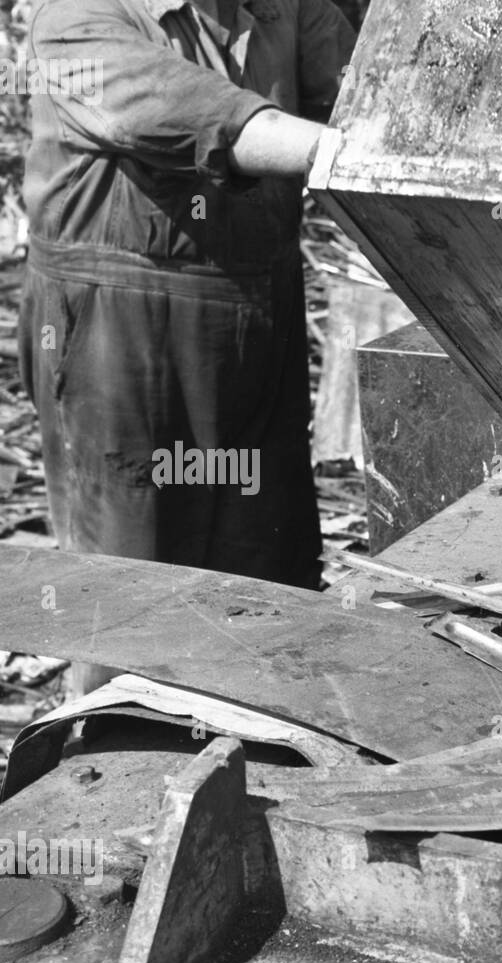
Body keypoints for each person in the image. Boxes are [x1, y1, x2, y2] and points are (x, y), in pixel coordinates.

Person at [18, 0, 356, 690]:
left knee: (263, 584)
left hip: (256, 327)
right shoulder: (80, 18)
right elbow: (198, 114)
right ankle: (113, 769)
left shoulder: (285, 8)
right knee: (135, 595)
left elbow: (364, 94)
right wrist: (351, 155)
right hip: (122, 339)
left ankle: (258, 767)